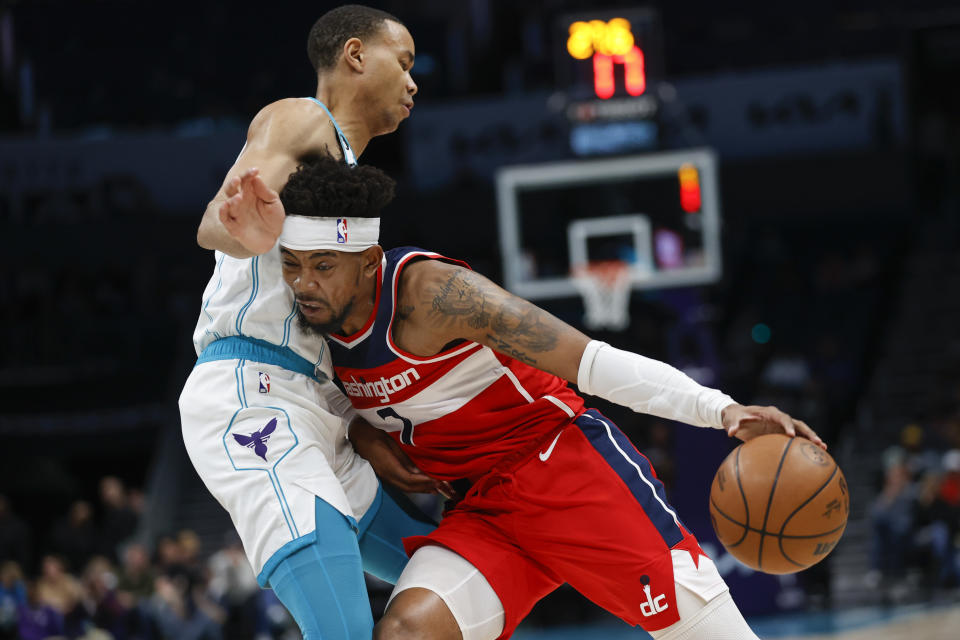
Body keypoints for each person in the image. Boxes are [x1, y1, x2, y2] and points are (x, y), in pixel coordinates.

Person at [274, 154, 827, 640]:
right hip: (481, 511)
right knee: (407, 632)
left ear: (369, 261)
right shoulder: (302, 323)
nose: (304, 284)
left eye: (323, 267)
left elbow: (591, 363)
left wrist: (722, 410)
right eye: (292, 266)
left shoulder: (435, 295)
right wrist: (363, 433)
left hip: (561, 469)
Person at [179, 5, 436, 639]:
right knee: (343, 629)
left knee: (451, 572)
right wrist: (244, 232)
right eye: (402, 63)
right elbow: (219, 219)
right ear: (355, 55)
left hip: (322, 411)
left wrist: (366, 424)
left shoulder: (351, 183)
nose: (413, 82)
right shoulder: (302, 119)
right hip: (256, 392)